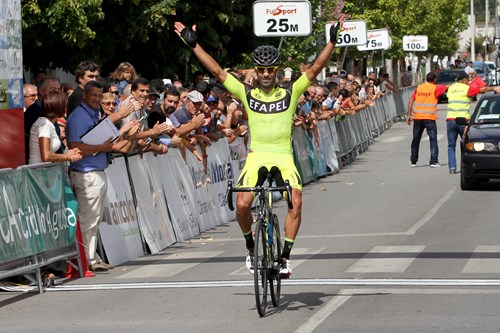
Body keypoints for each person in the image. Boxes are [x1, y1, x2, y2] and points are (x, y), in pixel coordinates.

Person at [174, 12, 346, 277]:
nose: (266, 74)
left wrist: (331, 42)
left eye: (271, 70)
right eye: (262, 70)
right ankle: (250, 246)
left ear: (276, 71)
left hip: (283, 156)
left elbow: (314, 69)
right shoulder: (247, 92)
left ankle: (285, 258)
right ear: (257, 71)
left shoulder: (291, 91)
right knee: (242, 204)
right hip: (257, 155)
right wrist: (194, 45)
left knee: (295, 202)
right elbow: (217, 71)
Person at [66, 80, 139, 272]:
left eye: (100, 96)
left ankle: (91, 257)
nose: (97, 99)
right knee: (88, 218)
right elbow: (76, 147)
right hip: (86, 173)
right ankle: (86, 259)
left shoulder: (92, 114)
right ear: (85, 96)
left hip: (95, 172)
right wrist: (101, 147)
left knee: (94, 218)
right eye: (94, 96)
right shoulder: (79, 117)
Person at [445, 71, 500, 174]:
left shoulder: (451, 88)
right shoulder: (467, 89)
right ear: (464, 80)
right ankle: (466, 165)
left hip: (450, 121)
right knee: (467, 145)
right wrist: (494, 88)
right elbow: (482, 89)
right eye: (468, 80)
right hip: (463, 122)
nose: (468, 82)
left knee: (451, 146)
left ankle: (452, 168)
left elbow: (448, 89)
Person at [406, 72, 448, 168]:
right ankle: (433, 161)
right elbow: (447, 87)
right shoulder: (435, 88)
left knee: (416, 139)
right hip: (429, 118)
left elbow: (411, 101)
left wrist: (409, 115)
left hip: (418, 117)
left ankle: (413, 160)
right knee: (433, 139)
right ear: (434, 80)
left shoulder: (419, 88)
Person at [29, 90, 82, 164]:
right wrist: (67, 156)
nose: (66, 108)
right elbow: (46, 156)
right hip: (40, 172)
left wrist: (70, 154)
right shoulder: (45, 126)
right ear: (58, 107)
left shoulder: (46, 123)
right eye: (65, 105)